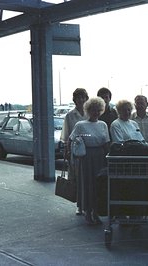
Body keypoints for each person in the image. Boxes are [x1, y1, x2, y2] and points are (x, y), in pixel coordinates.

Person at [69, 97, 110, 225]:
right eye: (93, 110)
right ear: (88, 110)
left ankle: (96, 213)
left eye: (98, 110)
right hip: (86, 157)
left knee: (99, 185)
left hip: (100, 156)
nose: (96, 112)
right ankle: (87, 211)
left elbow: (106, 142)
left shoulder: (103, 125)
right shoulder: (80, 125)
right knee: (87, 184)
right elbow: (71, 140)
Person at [61, 88, 89, 216]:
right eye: (78, 98)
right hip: (75, 151)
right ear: (74, 99)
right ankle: (79, 205)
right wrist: (66, 151)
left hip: (89, 150)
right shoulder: (70, 115)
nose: (81, 100)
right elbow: (66, 135)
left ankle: (88, 205)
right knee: (76, 178)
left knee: (87, 178)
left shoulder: (89, 113)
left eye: (83, 97)